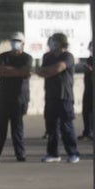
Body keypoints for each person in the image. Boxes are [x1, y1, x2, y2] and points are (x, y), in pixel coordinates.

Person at [0, 32, 32, 162]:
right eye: (13, 40)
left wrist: (10, 71)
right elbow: (1, 71)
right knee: (0, 128)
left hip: (19, 97)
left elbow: (26, 72)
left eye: (17, 41)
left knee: (17, 128)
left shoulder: (27, 57)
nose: (14, 43)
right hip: (3, 97)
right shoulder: (3, 56)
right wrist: (17, 72)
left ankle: (20, 154)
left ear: (23, 43)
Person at [36, 32, 81, 163]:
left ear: (59, 43)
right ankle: (53, 153)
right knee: (51, 127)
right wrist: (46, 71)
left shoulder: (68, 56)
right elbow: (42, 72)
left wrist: (47, 71)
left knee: (66, 126)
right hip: (51, 95)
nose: (50, 43)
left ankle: (73, 153)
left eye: (53, 41)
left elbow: (58, 68)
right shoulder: (47, 56)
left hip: (64, 96)